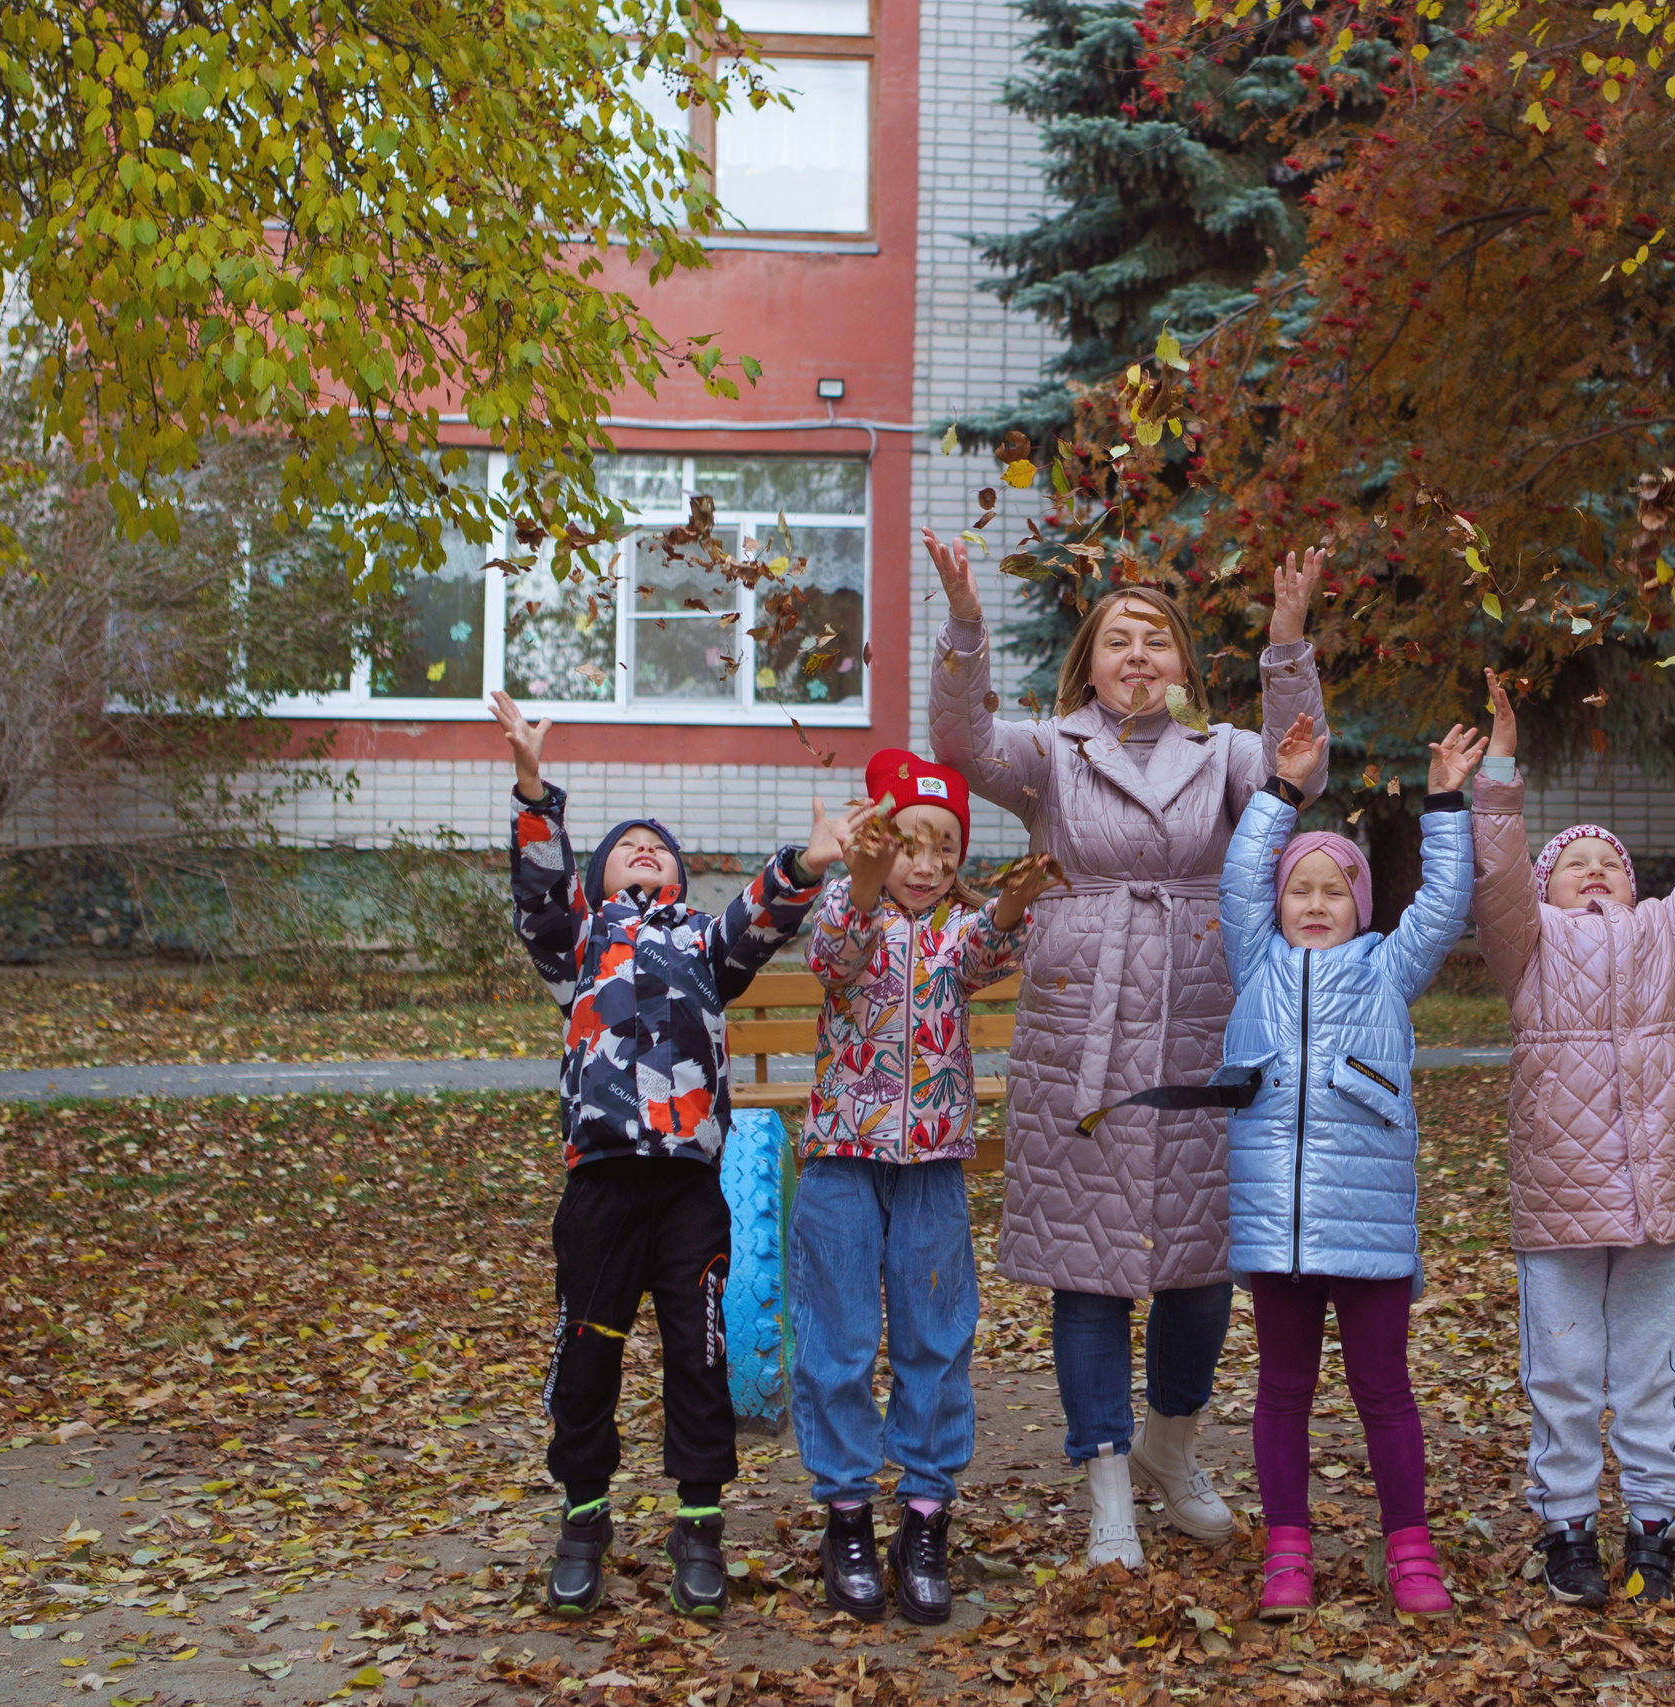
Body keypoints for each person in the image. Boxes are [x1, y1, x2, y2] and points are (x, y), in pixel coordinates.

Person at [921, 527, 1327, 1567]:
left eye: (1154, 639)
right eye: (1116, 641)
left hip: (1202, 1013)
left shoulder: (1225, 753)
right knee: (1087, 1268)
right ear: (1089, 663)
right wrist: (966, 618)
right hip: (1081, 1028)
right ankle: (1106, 1484)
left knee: (1200, 1266)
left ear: (1184, 666)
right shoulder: (1052, 755)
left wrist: (1287, 643)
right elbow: (960, 743)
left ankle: (1169, 1447)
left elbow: (1300, 770)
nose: (1136, 655)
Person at [491, 689, 828, 1620]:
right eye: (626, 844)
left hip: (688, 1189)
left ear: (681, 877)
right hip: (600, 1184)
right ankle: (585, 1515)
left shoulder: (704, 946)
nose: (645, 845)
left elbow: (762, 913)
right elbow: (536, 890)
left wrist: (806, 861)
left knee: (699, 1349)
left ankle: (699, 1520)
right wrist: (532, 786)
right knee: (587, 1350)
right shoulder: (581, 944)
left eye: (660, 844)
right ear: (597, 880)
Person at [1470, 669, 1675, 1606]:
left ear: (1636, 883)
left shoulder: (1669, 936)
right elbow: (1498, 872)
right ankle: (1565, 1527)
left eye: (1610, 858)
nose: (1594, 868)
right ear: (1547, 885)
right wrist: (1502, 770)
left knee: (1644, 1369)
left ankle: (1654, 1524)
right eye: (1575, 858)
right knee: (1561, 1371)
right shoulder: (1531, 946)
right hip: (1558, 1208)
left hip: (1652, 1204)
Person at [1212, 713, 1483, 1620]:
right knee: (1282, 1392)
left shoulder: (1386, 971)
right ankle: (1287, 1546)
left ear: (1362, 907)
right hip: (1276, 1232)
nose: (1317, 902)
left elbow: (1443, 904)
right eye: (1304, 890)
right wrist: (1283, 793)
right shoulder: (1256, 964)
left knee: (1384, 1392)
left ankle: (1410, 1545)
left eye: (1336, 889)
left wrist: (1446, 801)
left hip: (1367, 1232)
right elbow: (1241, 881)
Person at [792, 750, 1064, 1626]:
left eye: (943, 849)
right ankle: (845, 1515)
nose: (925, 862)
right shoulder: (849, 908)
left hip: (934, 1167)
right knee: (838, 1337)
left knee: (935, 1337)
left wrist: (1015, 902)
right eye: (908, 843)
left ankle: (924, 1512)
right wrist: (861, 882)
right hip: (842, 1158)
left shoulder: (956, 932)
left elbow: (993, 946)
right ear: (878, 843)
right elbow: (832, 958)